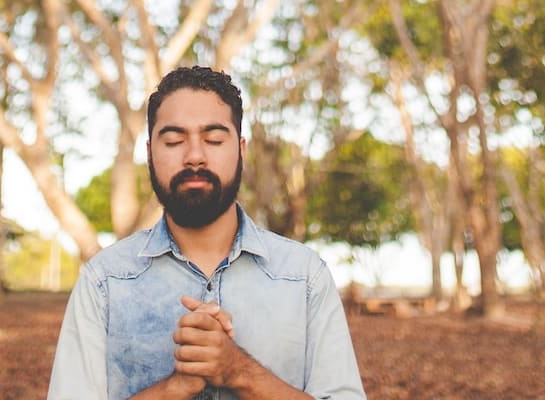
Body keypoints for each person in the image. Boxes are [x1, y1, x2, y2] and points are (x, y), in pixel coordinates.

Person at [47, 66, 365, 399]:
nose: (195, 156)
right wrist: (174, 388)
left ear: (241, 149)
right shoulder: (105, 282)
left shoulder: (304, 278)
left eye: (213, 139)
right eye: (173, 140)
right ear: (150, 152)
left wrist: (238, 371)